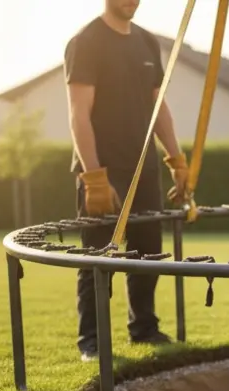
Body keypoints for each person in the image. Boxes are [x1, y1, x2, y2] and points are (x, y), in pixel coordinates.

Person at [64, 0, 191, 361]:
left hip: (144, 170)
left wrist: (176, 160)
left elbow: (158, 106)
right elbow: (78, 114)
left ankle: (145, 329)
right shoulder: (85, 42)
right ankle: (92, 341)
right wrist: (93, 176)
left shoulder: (147, 42)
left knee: (148, 254)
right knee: (97, 258)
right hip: (103, 172)